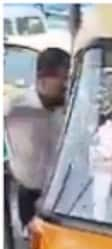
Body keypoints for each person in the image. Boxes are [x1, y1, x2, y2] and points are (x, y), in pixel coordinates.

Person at [5, 47, 69, 229]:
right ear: (43, 78)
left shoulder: (68, 110)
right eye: (62, 79)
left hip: (62, 196)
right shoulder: (15, 109)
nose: (66, 85)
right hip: (30, 195)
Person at [88, 113, 112, 222]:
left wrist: (94, 150)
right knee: (95, 201)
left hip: (104, 173)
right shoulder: (97, 129)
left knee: (100, 202)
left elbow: (109, 151)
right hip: (95, 172)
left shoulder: (111, 131)